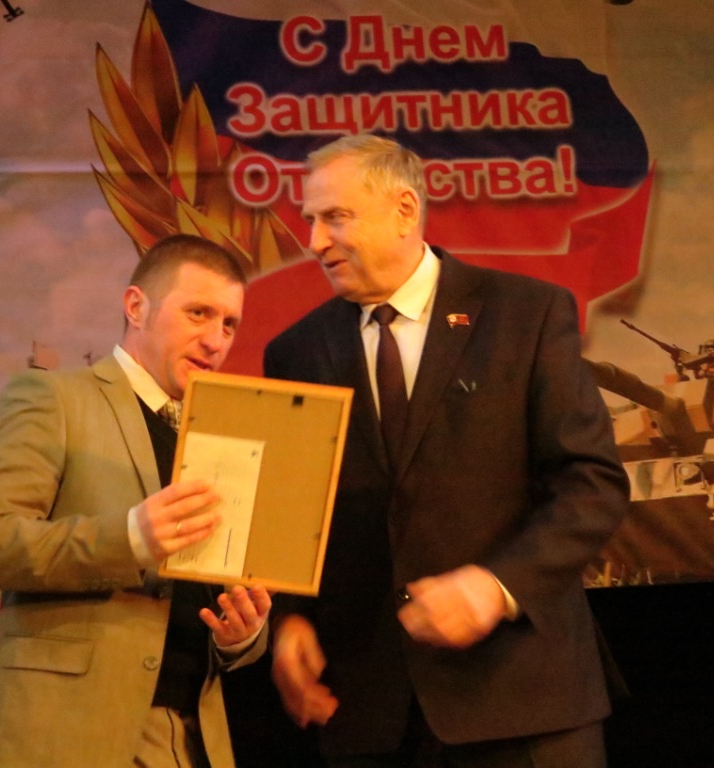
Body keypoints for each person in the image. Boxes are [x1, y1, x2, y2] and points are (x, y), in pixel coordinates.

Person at [263, 135, 630, 767]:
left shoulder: (526, 314)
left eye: (335, 217)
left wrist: (497, 585)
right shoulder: (295, 352)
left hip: (523, 702)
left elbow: (591, 483)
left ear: (404, 210)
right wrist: (290, 618)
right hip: (370, 713)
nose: (315, 241)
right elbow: (294, 512)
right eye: (311, 220)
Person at [0, 233, 272, 768]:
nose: (215, 339)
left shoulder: (222, 433)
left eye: (229, 324)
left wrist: (240, 636)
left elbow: (207, 594)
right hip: (69, 734)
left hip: (194, 736)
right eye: (198, 313)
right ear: (136, 307)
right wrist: (128, 538)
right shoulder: (54, 398)